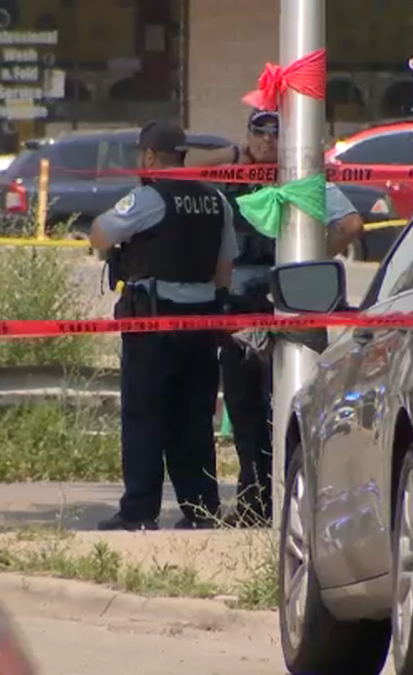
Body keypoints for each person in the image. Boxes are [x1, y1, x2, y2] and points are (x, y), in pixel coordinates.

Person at [191, 109, 364, 527]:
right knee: (244, 407)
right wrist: (234, 153)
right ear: (247, 135)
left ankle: (294, 503)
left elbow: (351, 223)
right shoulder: (232, 176)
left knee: (290, 408)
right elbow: (182, 169)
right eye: (259, 132)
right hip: (239, 308)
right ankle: (253, 503)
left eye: (276, 133)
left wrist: (312, 258)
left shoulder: (300, 177)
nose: (268, 140)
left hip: (289, 303)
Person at [89, 119, 239, 532]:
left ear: (151, 156)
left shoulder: (148, 199)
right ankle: (201, 510)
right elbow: (225, 266)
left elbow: (99, 235)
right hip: (203, 320)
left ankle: (139, 511)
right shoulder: (216, 201)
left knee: (144, 415)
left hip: (153, 322)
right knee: (194, 419)